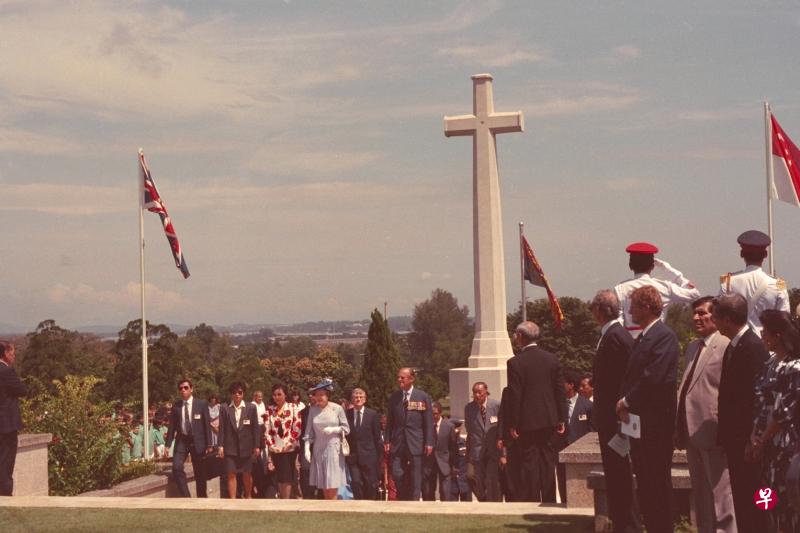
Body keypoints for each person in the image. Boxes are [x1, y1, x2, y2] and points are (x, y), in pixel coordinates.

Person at [615, 286, 680, 533]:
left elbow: (653, 376)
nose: (629, 310)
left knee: (656, 483)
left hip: (655, 424)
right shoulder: (644, 337)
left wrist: (627, 401)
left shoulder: (664, 336)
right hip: (641, 424)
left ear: (646, 307)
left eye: (633, 305)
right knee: (646, 483)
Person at [673, 296, 735, 533]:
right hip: (691, 432)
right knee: (702, 497)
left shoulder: (726, 344)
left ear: (716, 316)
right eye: (694, 314)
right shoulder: (692, 347)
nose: (696, 318)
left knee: (722, 496)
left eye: (702, 313)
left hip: (713, 432)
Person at [713, 294, 770, 532]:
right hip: (736, 441)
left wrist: (754, 438)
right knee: (743, 499)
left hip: (750, 444)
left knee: (759, 497)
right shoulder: (735, 346)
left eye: (716, 316)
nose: (714, 321)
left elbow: (759, 399)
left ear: (726, 319)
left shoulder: (752, 347)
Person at [589, 290, 639, 533]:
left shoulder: (615, 337)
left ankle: (626, 524)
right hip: (611, 418)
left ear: (599, 311)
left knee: (619, 474)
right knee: (615, 474)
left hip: (615, 419)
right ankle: (622, 522)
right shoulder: (613, 335)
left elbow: (622, 380)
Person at [751, 310, 800, 531]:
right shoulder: (770, 363)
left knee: (785, 503)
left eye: (765, 332)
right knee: (766, 499)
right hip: (765, 445)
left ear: (777, 335)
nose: (762, 336)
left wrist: (761, 440)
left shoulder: (794, 367)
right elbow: (760, 403)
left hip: (784, 447)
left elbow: (783, 412)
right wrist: (754, 436)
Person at [507, 321, 567, 503]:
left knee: (530, 464)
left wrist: (513, 423)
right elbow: (560, 391)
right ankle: (549, 501)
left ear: (521, 337)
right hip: (550, 420)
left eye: (516, 335)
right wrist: (561, 418)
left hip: (527, 422)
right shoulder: (552, 359)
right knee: (548, 463)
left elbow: (515, 395)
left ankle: (532, 502)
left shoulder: (515, 363)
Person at [614, 242, 700, 337]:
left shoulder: (620, 288)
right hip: (657, 339)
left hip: (629, 343)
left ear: (630, 265)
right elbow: (695, 294)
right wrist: (667, 268)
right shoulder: (664, 287)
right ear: (652, 266)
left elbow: (618, 320)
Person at [719, 230, 789, 336]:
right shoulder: (777, 285)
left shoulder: (729, 282)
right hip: (768, 345)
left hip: (738, 343)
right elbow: (784, 320)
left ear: (742, 254)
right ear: (765, 254)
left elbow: (720, 315)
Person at [385, 367, 434, 501]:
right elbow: (390, 421)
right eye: (398, 377)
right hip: (398, 442)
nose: (399, 380)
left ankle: (414, 501)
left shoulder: (423, 396)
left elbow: (428, 422)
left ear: (411, 379)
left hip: (416, 442)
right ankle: (403, 496)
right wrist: (387, 440)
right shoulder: (394, 397)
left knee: (416, 474)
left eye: (402, 377)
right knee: (397, 472)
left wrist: (429, 442)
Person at [165, 378, 213, 498]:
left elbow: (207, 425)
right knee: (176, 467)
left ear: (191, 389)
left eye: (186, 388)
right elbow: (172, 427)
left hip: (198, 441)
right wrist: (167, 444)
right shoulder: (176, 406)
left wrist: (209, 444)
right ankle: (186, 497)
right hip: (182, 440)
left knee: (200, 473)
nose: (183, 390)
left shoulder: (201, 404)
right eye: (181, 388)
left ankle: (202, 498)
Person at [304, 379, 349, 500]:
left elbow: (346, 428)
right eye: (316, 395)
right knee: (323, 482)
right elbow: (309, 432)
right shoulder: (313, 410)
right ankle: (327, 508)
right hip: (319, 449)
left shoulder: (337, 408)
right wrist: (307, 448)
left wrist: (334, 429)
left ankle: (333, 508)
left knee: (332, 481)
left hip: (333, 448)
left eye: (321, 395)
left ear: (327, 395)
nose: (318, 397)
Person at [555, 369, 593, 505]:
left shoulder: (587, 405)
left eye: (563, 383)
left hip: (581, 452)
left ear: (571, 385)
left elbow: (592, 430)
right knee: (562, 480)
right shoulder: (558, 405)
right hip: (562, 448)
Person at [218, 381, 260, 499]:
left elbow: (255, 428)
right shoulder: (224, 408)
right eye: (234, 392)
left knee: (247, 473)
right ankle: (233, 500)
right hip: (230, 447)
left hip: (246, 447)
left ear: (243, 394)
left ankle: (248, 496)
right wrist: (220, 445)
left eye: (240, 392)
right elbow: (222, 428)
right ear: (231, 394)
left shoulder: (251, 408)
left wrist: (257, 446)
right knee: (231, 474)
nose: (237, 395)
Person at [464, 381, 502, 501]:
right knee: (471, 476)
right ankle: (483, 498)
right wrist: (469, 453)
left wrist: (503, 453)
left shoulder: (496, 405)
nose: (477, 395)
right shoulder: (469, 408)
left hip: (493, 450)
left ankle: (495, 504)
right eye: (474, 392)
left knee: (492, 481)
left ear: (486, 391)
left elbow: (501, 429)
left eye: (479, 392)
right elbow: (470, 431)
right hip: (477, 450)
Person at [265, 383, 301, 499]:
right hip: (275, 449)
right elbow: (267, 430)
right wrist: (271, 446)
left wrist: (289, 444)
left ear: (285, 395)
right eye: (275, 395)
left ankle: (286, 501)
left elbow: (297, 427)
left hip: (289, 449)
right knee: (279, 477)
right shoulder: (269, 410)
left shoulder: (293, 408)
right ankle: (282, 500)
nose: (277, 397)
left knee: (286, 477)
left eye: (280, 394)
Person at [345, 387, 382, 500]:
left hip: (370, 457)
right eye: (356, 397)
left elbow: (377, 438)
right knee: (356, 483)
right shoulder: (346, 414)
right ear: (352, 399)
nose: (358, 399)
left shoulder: (373, 415)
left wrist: (379, 459)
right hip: (353, 457)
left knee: (370, 485)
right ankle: (358, 507)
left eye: (361, 397)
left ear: (365, 399)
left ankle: (370, 508)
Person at [0, 341, 26, 496]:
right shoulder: (6, 372)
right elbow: (22, 390)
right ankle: (4, 497)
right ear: (5, 353)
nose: (14, 356)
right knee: (5, 463)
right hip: (6, 425)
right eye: (12, 353)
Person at [422, 402, 457, 501]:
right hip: (429, 463)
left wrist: (454, 465)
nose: (433, 416)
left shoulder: (449, 426)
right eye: (431, 414)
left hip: (444, 462)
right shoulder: (425, 426)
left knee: (445, 492)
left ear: (440, 413)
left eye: (435, 413)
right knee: (428, 492)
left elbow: (453, 447)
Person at [449, 418, 472, 502]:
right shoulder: (446, 444)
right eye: (453, 429)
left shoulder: (466, 443)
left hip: (465, 482)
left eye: (457, 428)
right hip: (452, 483)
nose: (455, 431)